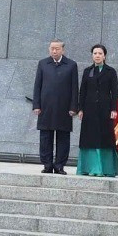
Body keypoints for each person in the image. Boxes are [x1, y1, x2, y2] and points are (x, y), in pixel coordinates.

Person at [31, 41, 78, 174]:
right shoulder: (43, 64)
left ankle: (59, 165)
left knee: (63, 137)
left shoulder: (71, 65)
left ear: (63, 50)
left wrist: (74, 107)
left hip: (64, 107)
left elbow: (75, 88)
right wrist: (36, 105)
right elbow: (37, 86)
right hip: (46, 107)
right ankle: (47, 164)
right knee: (45, 137)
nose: (54, 51)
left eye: (57, 49)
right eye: (52, 49)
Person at [75, 45, 118, 178]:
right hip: (89, 110)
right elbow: (82, 91)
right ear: (92, 55)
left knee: (104, 137)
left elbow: (114, 91)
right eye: (95, 53)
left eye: (100, 53)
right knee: (89, 137)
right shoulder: (87, 71)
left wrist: (114, 109)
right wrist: (80, 108)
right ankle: (88, 167)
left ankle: (105, 169)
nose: (97, 55)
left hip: (105, 110)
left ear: (104, 56)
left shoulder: (111, 71)